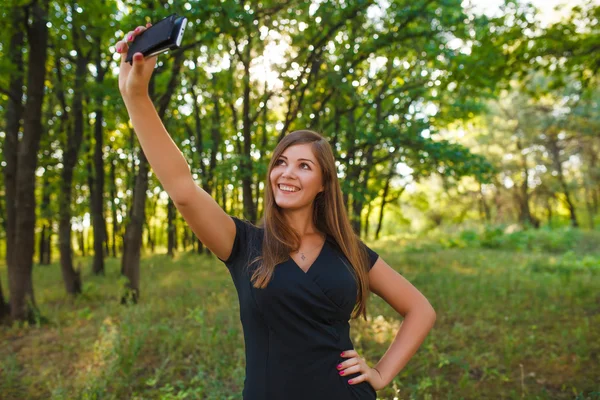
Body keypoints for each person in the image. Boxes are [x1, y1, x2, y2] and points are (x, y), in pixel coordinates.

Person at [115, 22, 436, 400]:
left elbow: (420, 310)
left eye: (304, 166)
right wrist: (136, 95)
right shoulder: (243, 243)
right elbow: (183, 190)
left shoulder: (349, 251)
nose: (287, 172)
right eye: (281, 162)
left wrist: (380, 373)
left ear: (324, 185)